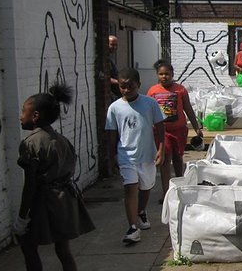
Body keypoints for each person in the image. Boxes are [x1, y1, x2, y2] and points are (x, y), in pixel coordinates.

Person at [15, 84, 95, 271]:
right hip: (65, 198)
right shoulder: (61, 139)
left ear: (35, 116)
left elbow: (30, 183)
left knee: (27, 244)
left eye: (23, 111)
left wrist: (22, 216)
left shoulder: (31, 143)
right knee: (63, 248)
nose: (20, 116)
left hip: (45, 201)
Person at [105, 68, 165, 244]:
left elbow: (160, 127)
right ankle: (133, 227)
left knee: (145, 188)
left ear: (138, 85)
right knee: (130, 188)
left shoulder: (150, 104)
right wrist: (112, 156)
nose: (126, 90)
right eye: (123, 87)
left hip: (147, 155)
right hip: (126, 156)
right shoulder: (114, 108)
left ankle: (140, 212)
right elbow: (111, 133)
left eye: (130, 86)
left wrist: (161, 149)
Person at [147, 59, 202, 204]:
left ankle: (181, 188)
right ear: (157, 75)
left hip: (179, 130)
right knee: (164, 161)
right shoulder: (153, 91)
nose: (164, 77)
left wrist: (196, 127)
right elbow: (148, 112)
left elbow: (188, 108)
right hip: (161, 132)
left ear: (172, 74)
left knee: (178, 159)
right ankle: (166, 192)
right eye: (161, 74)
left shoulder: (180, 89)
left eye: (167, 74)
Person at [108, 35, 121, 100]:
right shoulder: (103, 60)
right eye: (112, 45)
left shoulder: (111, 58)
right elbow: (104, 77)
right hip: (111, 94)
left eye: (116, 45)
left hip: (116, 94)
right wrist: (118, 82)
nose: (114, 47)